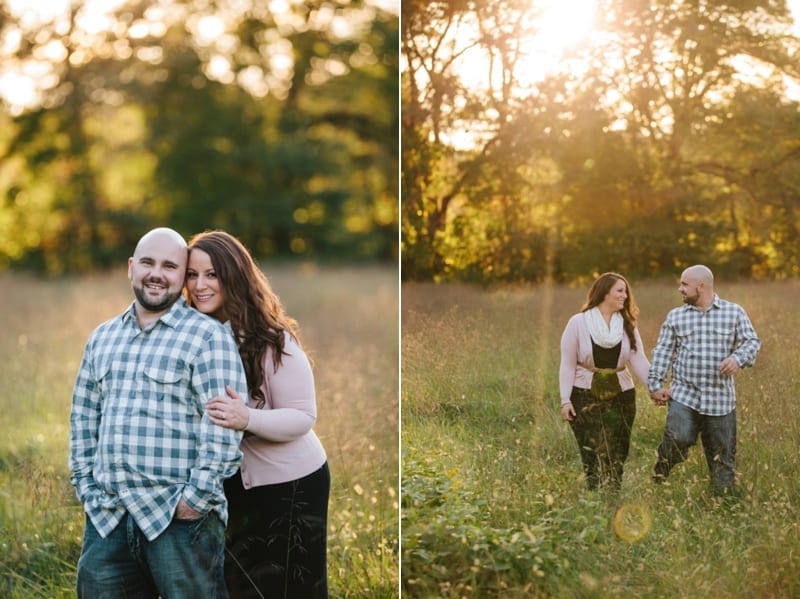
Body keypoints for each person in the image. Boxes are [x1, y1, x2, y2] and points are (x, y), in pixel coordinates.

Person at [69, 227, 248, 598]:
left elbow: (223, 426)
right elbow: (84, 417)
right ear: (131, 267)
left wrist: (195, 500)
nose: (157, 273)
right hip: (108, 517)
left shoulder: (207, 337)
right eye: (148, 263)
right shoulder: (102, 337)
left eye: (170, 266)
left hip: (179, 518)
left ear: (182, 278)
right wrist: (86, 487)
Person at [185, 230, 330, 599]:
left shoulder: (271, 338)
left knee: (294, 588)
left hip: (290, 485)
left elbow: (302, 416)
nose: (200, 285)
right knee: (245, 587)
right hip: (234, 488)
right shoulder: (192, 337)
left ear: (234, 276)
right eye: (192, 274)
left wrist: (247, 418)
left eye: (212, 274)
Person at [648, 264, 760, 493]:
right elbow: (663, 351)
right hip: (684, 395)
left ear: (701, 287)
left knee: (723, 461)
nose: (680, 289)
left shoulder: (734, 312)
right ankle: (662, 470)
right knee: (678, 438)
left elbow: (752, 342)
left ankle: (722, 506)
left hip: (720, 400)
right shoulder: (676, 316)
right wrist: (655, 384)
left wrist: (737, 359)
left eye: (684, 284)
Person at [559, 272, 650, 491]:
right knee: (591, 446)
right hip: (583, 393)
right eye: (620, 290)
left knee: (619, 446)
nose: (625, 296)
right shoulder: (578, 323)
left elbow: (638, 360)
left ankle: (612, 493)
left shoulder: (626, 324)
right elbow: (568, 364)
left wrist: (655, 388)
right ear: (604, 292)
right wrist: (565, 400)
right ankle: (594, 494)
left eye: (626, 291)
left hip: (622, 393)